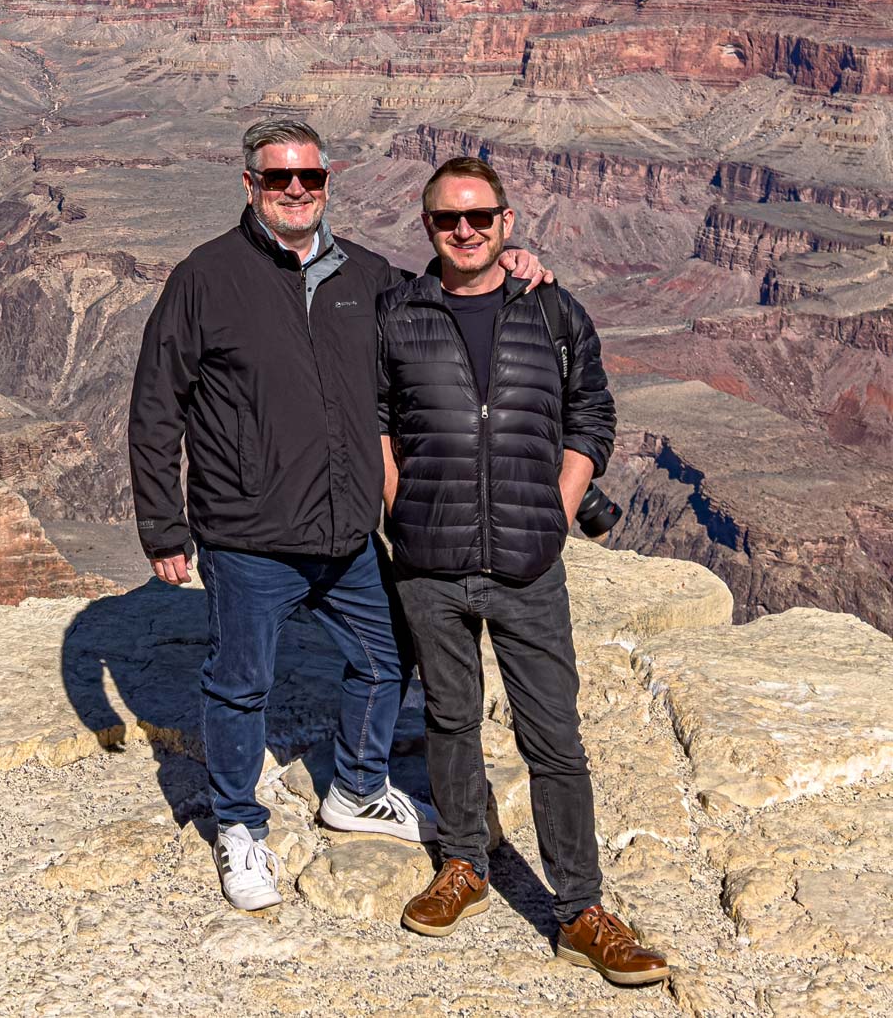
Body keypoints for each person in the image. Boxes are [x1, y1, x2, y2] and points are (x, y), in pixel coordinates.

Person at [128, 119, 549, 912]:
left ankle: (355, 787)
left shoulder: (365, 274)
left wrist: (506, 263)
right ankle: (238, 824)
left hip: (348, 530)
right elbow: (157, 403)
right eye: (279, 178)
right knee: (239, 682)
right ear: (249, 183)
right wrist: (163, 525)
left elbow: (441, 297)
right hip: (248, 535)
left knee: (390, 653)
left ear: (329, 182)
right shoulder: (207, 277)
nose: (296, 190)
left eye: (311, 178)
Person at [376, 156, 669, 986]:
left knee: (555, 737)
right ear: (426, 225)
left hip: (529, 560)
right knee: (450, 716)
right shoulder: (398, 314)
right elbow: (375, 420)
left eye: (479, 216)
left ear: (507, 223)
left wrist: (562, 500)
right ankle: (464, 863)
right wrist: (401, 505)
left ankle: (579, 908)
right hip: (429, 560)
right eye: (446, 219)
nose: (463, 230)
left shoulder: (552, 309)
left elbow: (591, 412)